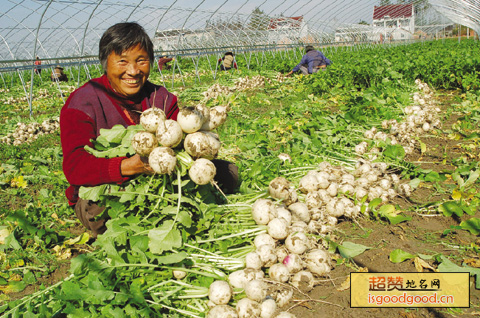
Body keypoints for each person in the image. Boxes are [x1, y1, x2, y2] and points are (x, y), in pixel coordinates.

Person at [60, 22, 238, 238]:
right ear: (106, 62)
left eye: (141, 61)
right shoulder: (83, 102)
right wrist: (132, 167)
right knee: (99, 208)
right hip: (112, 186)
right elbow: (75, 166)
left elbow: (178, 144)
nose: (133, 71)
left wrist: (201, 146)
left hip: (161, 180)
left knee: (228, 172)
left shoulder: (161, 97)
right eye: (122, 61)